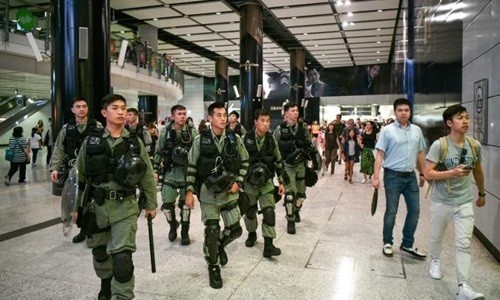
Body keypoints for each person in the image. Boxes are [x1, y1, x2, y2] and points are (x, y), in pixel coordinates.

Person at [73, 94, 157, 300]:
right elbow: (78, 177)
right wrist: (75, 207)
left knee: (122, 258)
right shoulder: (90, 143)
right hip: (96, 207)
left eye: (123, 108)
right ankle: (106, 284)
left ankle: (123, 296)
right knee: (100, 253)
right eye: (115, 108)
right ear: (104, 113)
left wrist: (151, 203)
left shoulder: (135, 143)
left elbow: (147, 175)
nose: (121, 112)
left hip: (125, 207)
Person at [424, 105, 486, 300]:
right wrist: (451, 172)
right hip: (441, 200)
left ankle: (464, 287)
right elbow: (428, 172)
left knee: (463, 244)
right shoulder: (439, 145)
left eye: (467, 117)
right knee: (436, 237)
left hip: (464, 201)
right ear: (449, 123)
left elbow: (478, 171)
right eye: (460, 118)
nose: (465, 121)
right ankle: (434, 260)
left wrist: (482, 193)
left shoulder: (474, 145)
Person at [185, 101, 249, 289]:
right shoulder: (200, 140)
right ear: (210, 118)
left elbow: (245, 162)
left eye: (225, 115)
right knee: (212, 230)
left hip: (230, 192)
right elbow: (191, 167)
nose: (223, 118)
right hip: (208, 194)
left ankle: (219, 246)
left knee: (235, 230)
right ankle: (213, 266)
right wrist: (189, 191)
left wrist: (239, 182)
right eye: (219, 115)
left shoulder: (235, 139)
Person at [371, 98, 426, 258]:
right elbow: (379, 155)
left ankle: (407, 244)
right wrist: (376, 177)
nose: (403, 113)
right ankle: (387, 242)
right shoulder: (387, 131)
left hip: (411, 177)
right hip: (392, 176)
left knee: (415, 211)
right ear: (395, 112)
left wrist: (422, 173)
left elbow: (420, 153)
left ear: (410, 112)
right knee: (391, 211)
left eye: (406, 110)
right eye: (400, 110)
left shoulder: (417, 130)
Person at [50, 97, 103, 243]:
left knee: (92, 202)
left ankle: (92, 230)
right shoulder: (67, 128)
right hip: (73, 172)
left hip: (93, 171)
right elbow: (59, 149)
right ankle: (82, 230)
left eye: (84, 106)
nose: (81, 109)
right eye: (78, 106)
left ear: (88, 109)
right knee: (76, 202)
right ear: (73, 110)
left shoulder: (97, 126)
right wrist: (54, 168)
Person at [242, 109, 286, 258]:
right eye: (262, 121)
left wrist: (281, 181)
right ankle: (252, 233)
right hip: (249, 183)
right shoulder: (245, 138)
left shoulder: (271, 139)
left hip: (266, 182)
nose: (266, 124)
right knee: (250, 212)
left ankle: (268, 245)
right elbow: (238, 162)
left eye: (268, 121)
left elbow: (278, 160)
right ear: (255, 121)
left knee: (269, 211)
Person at [153, 105, 198, 245]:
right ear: (172, 116)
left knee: (185, 206)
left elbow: (198, 152)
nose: (182, 116)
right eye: (179, 114)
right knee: (166, 205)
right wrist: (155, 170)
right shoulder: (164, 132)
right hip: (170, 172)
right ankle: (173, 225)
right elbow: (159, 152)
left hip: (186, 173)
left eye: (184, 113)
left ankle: (185, 232)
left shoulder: (192, 132)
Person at [273, 103, 315, 234]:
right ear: (286, 113)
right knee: (290, 195)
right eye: (293, 110)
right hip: (287, 165)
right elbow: (274, 148)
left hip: (301, 165)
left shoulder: (302, 128)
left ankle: (296, 211)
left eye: (297, 110)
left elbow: (310, 144)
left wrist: (314, 158)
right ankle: (290, 220)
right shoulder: (279, 129)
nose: (296, 112)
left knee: (301, 196)